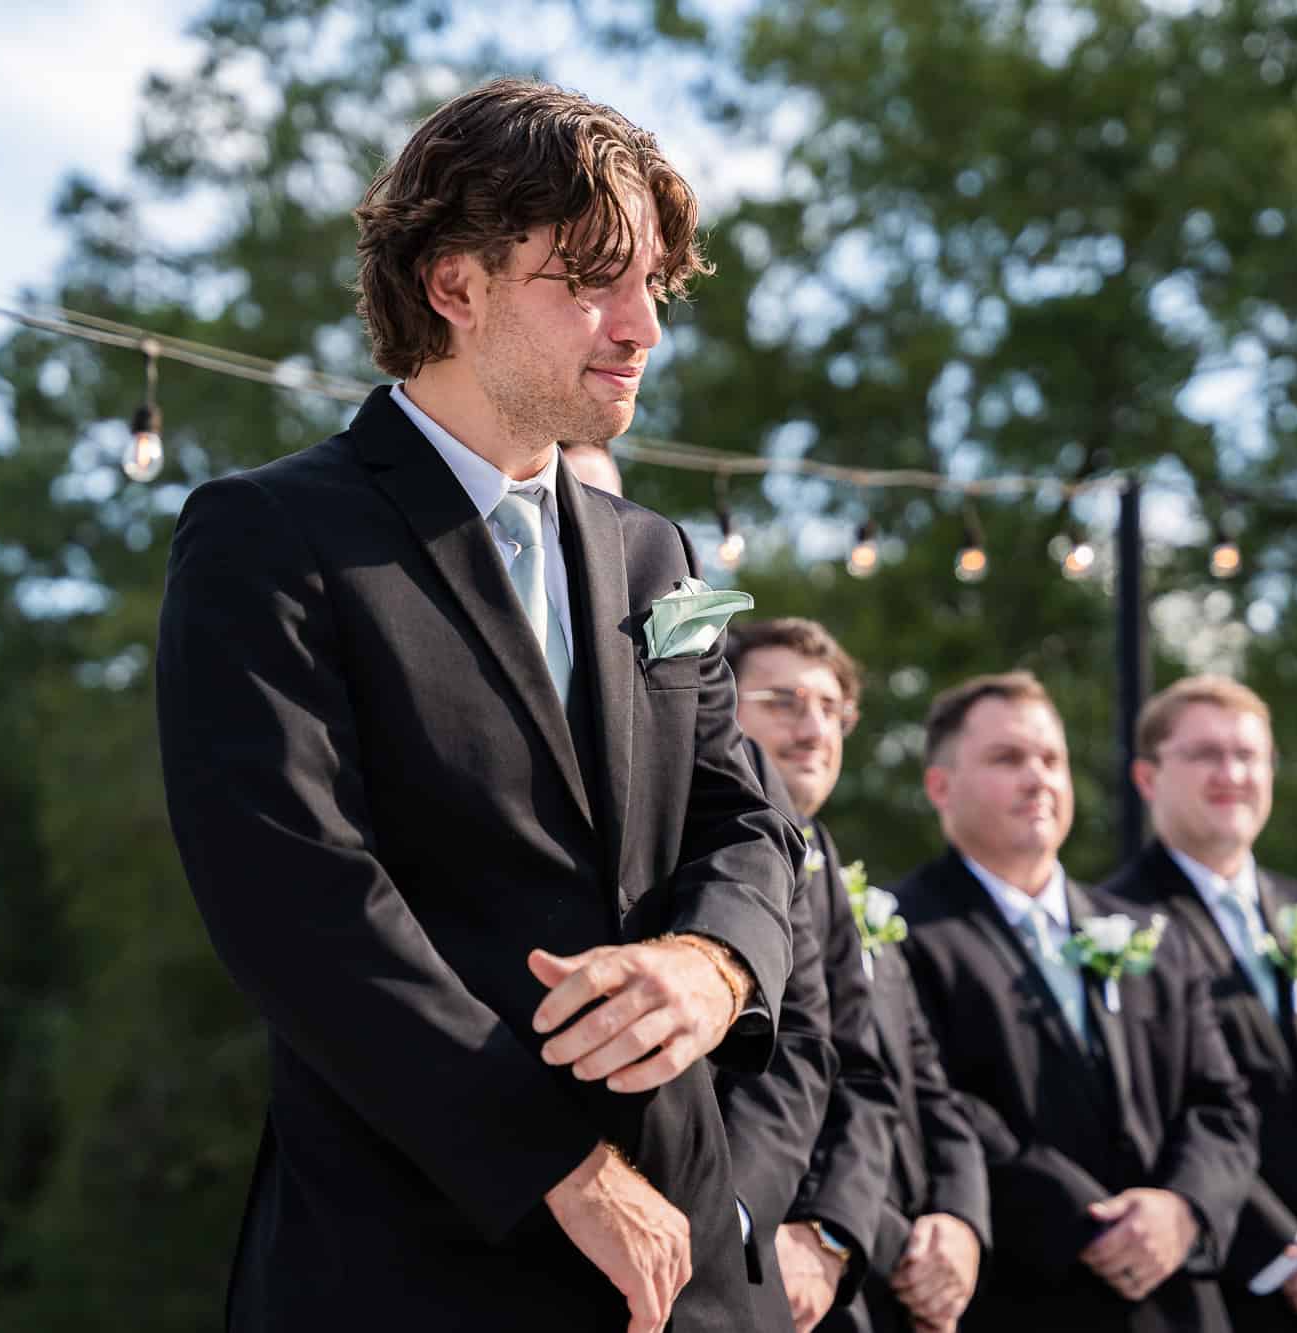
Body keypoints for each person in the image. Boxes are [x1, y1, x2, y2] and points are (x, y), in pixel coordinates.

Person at [154, 78, 800, 1333]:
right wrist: (555, 1163)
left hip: (695, 1270)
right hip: (418, 1259)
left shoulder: (658, 555)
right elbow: (295, 902)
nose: (641, 327)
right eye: (594, 280)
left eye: (653, 285)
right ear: (453, 284)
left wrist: (713, 966)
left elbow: (749, 824)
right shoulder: (267, 536)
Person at [896, 671, 1257, 1332]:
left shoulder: (1152, 932)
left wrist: (1182, 1209)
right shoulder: (905, 931)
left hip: (1179, 1302)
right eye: (1008, 759)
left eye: (1051, 759)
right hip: (1027, 1297)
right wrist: (1090, 1223)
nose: (1039, 778)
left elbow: (1222, 1102)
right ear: (940, 787)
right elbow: (939, 1102)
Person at [1102, 676, 1297, 1333]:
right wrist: (1287, 1258)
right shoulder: (1120, 928)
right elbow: (1173, 1119)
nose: (1233, 774)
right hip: (1227, 1291)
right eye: (1206, 754)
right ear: (1147, 776)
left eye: (1250, 755)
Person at [725, 618, 907, 1332]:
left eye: (832, 709)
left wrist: (829, 1232)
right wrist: (735, 1220)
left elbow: (861, 1072)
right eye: (783, 702)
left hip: (821, 1276)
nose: (814, 730)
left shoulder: (824, 863)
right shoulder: (683, 838)